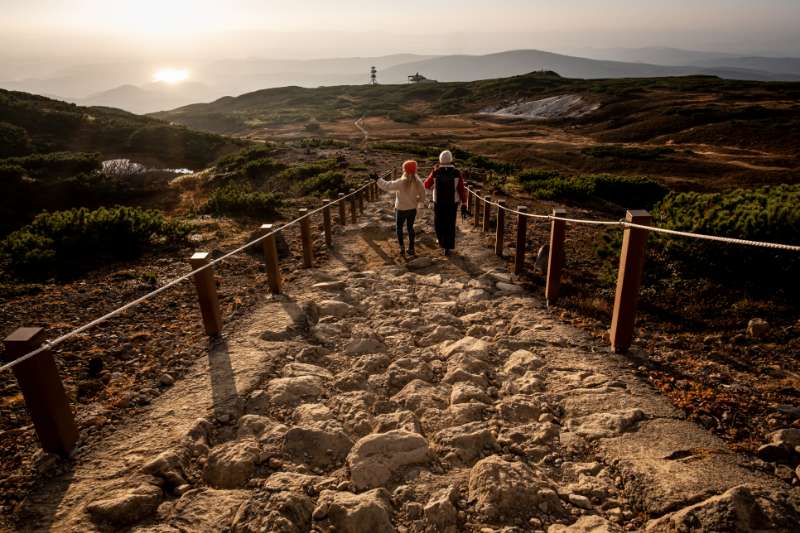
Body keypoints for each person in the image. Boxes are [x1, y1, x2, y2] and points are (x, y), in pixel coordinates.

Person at [376, 160, 426, 257]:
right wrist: (420, 206)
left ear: (404, 170)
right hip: (412, 209)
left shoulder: (400, 182)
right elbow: (422, 196)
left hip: (400, 209)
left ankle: (402, 248)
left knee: (399, 228)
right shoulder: (419, 182)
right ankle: (411, 248)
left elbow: (387, 186)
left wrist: (377, 179)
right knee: (410, 228)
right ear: (415, 170)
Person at [424, 150, 468, 256]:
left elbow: (426, 184)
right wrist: (464, 203)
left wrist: (433, 175)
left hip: (438, 202)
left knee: (439, 223)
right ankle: (448, 246)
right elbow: (461, 189)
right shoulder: (457, 172)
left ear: (440, 159)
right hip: (452, 203)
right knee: (450, 223)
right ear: (451, 159)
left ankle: (441, 241)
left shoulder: (436, 171)